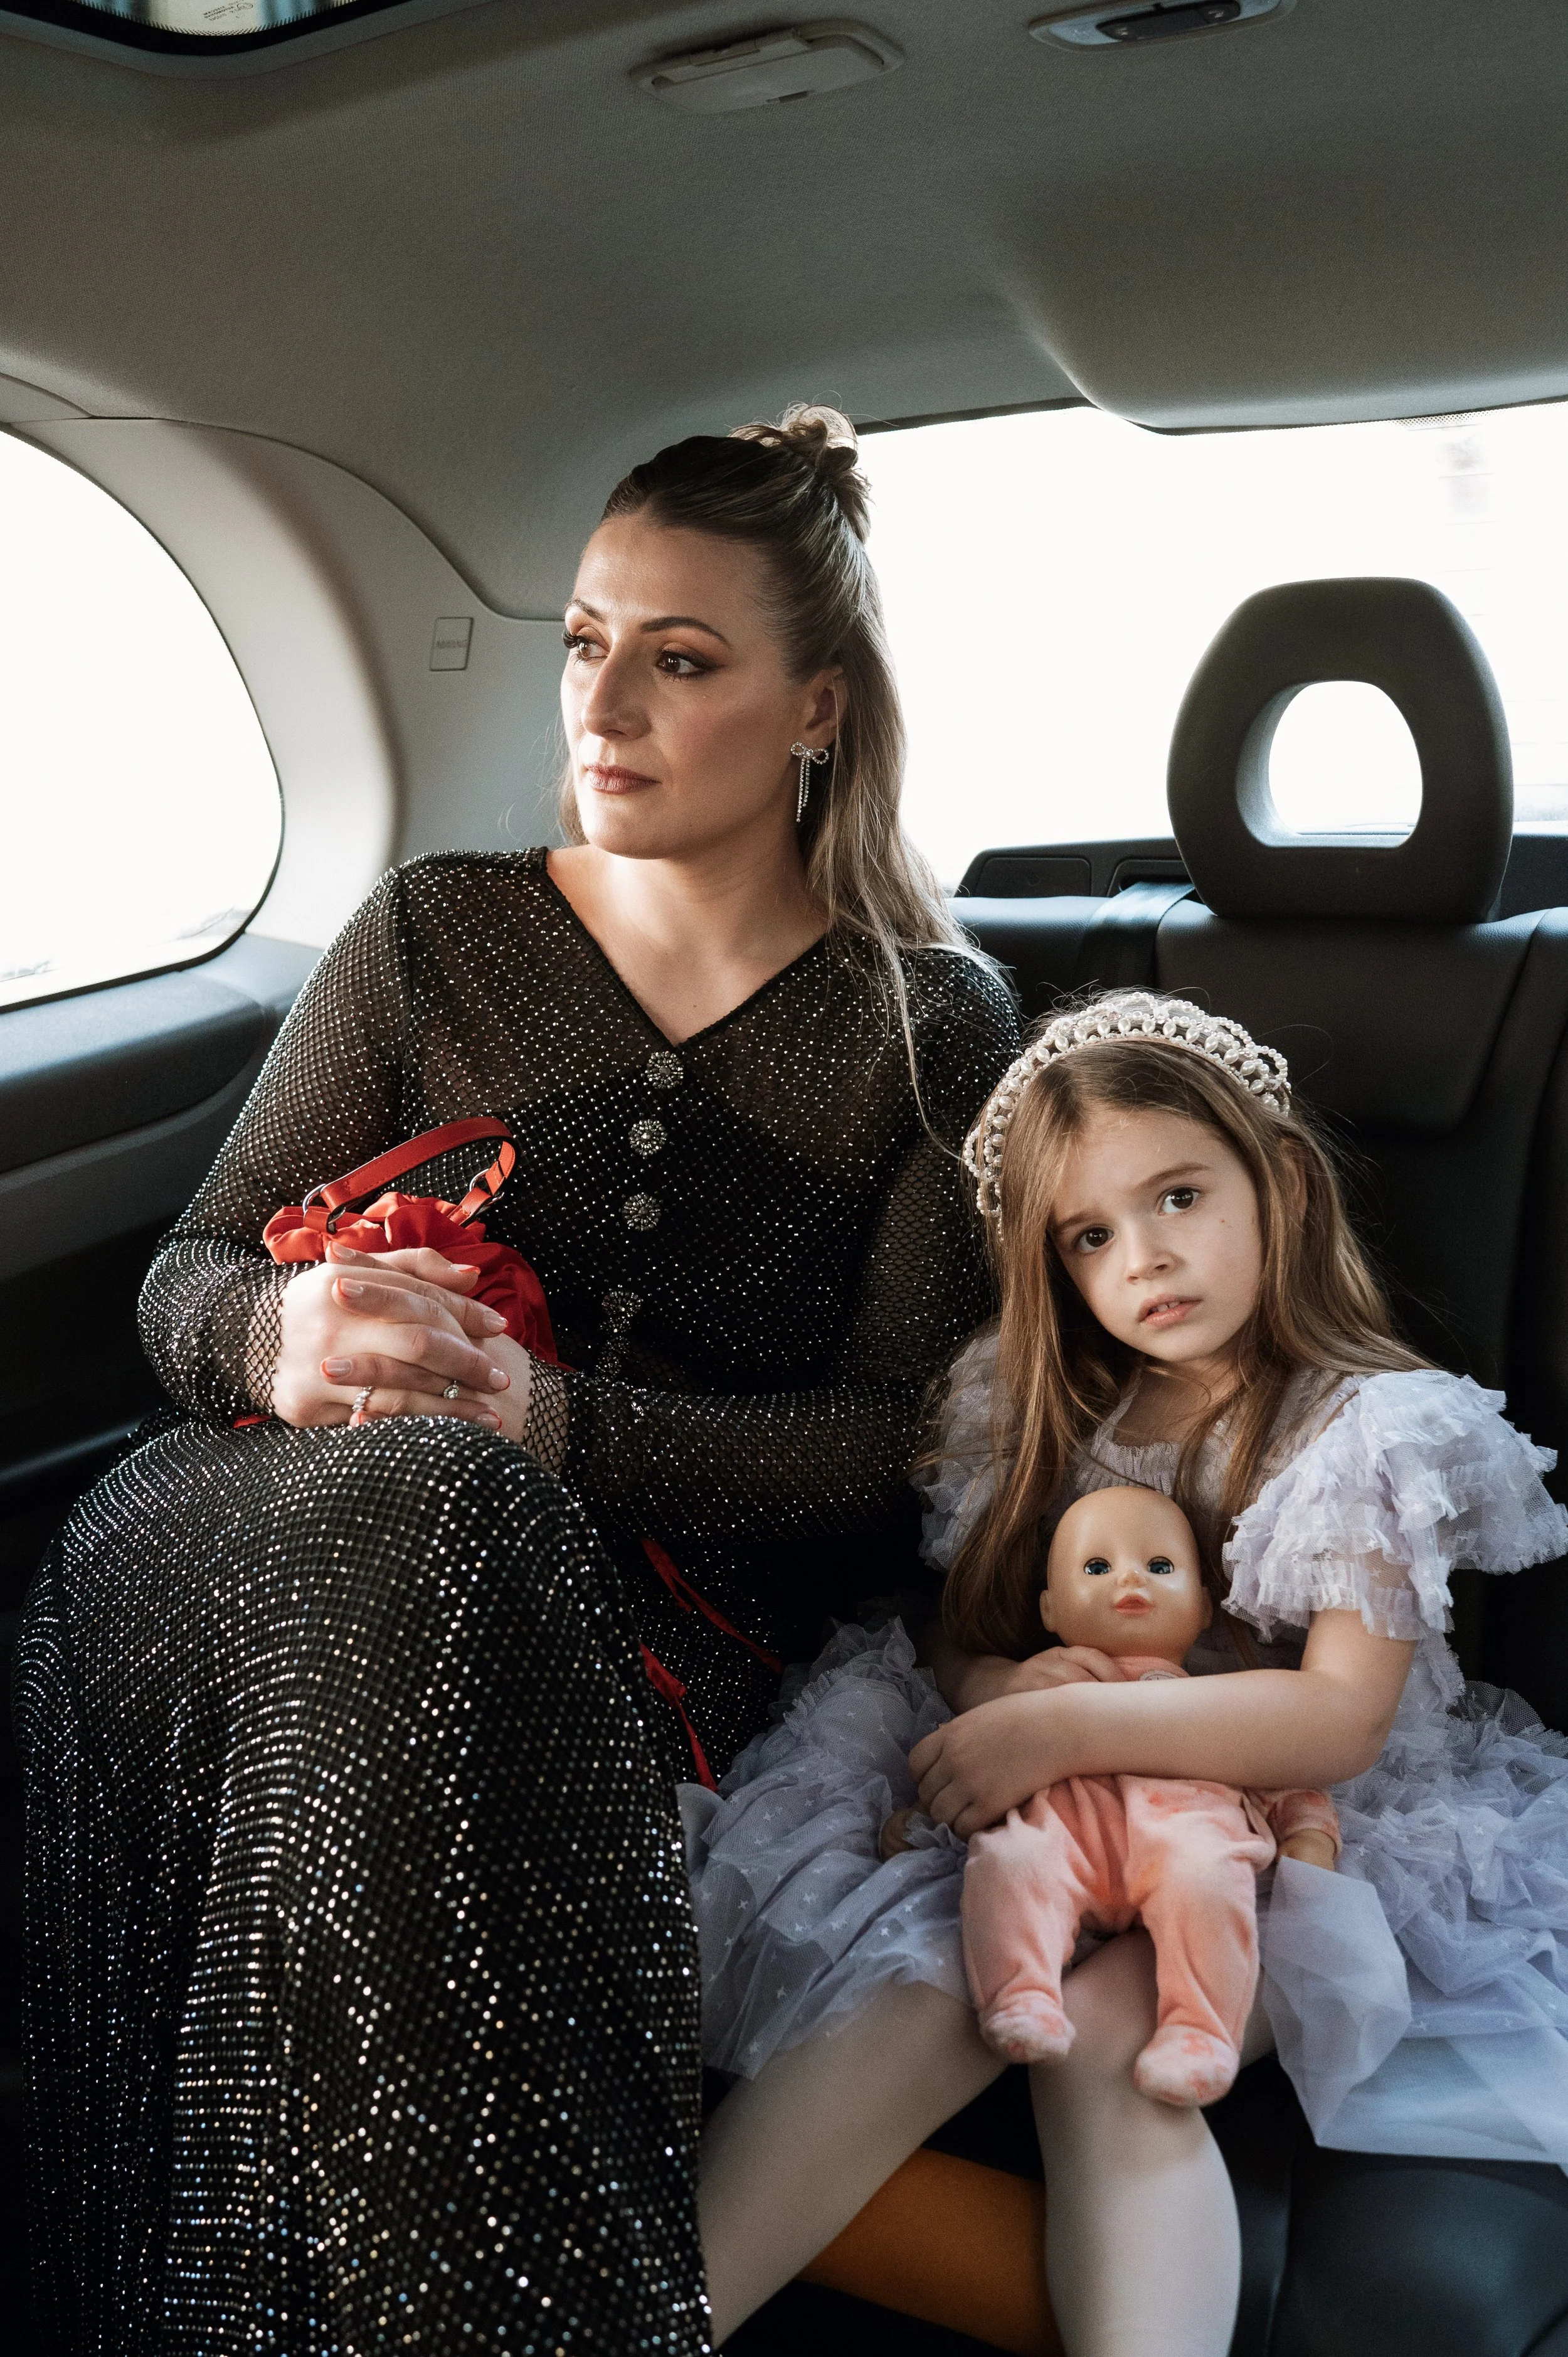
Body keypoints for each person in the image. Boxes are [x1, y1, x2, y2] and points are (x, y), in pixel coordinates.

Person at [16, 405, 1018, 2356]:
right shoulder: (426, 932)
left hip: (650, 1616)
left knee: (448, 1519)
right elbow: (185, 1276)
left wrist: (561, 1434)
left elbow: (905, 1447)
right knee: (393, 1517)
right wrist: (275, 1338)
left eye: (680, 657)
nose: (606, 700)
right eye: (583, 641)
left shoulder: (925, 1024)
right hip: (251, 1524)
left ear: (816, 707)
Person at [691, 988, 1568, 2357]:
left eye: (1176, 1197)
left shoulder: (1365, 1431)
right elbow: (967, 1632)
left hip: (1305, 1838)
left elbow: (1335, 1717)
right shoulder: (1043, 1410)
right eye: (1090, 1236)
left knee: (1120, 2039)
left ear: (1275, 1180)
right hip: (1069, 1819)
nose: (1141, 1258)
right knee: (929, 1980)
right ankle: (655, 2315)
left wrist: (1058, 1734)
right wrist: (996, 1703)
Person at [951, 1484, 1340, 2100]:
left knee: (1211, 1878)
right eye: (1097, 1566)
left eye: (1159, 1566)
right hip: (1068, 1832)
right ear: (1049, 1609)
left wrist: (1309, 1832)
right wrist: (921, 1816)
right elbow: (977, 1760)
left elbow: (1282, 1769)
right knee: (1011, 1861)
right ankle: (1022, 1996)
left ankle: (1200, 2034)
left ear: (1203, 1608)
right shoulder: (1038, 1689)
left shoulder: (1224, 1699)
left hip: (1184, 1836)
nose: (1129, 1578)